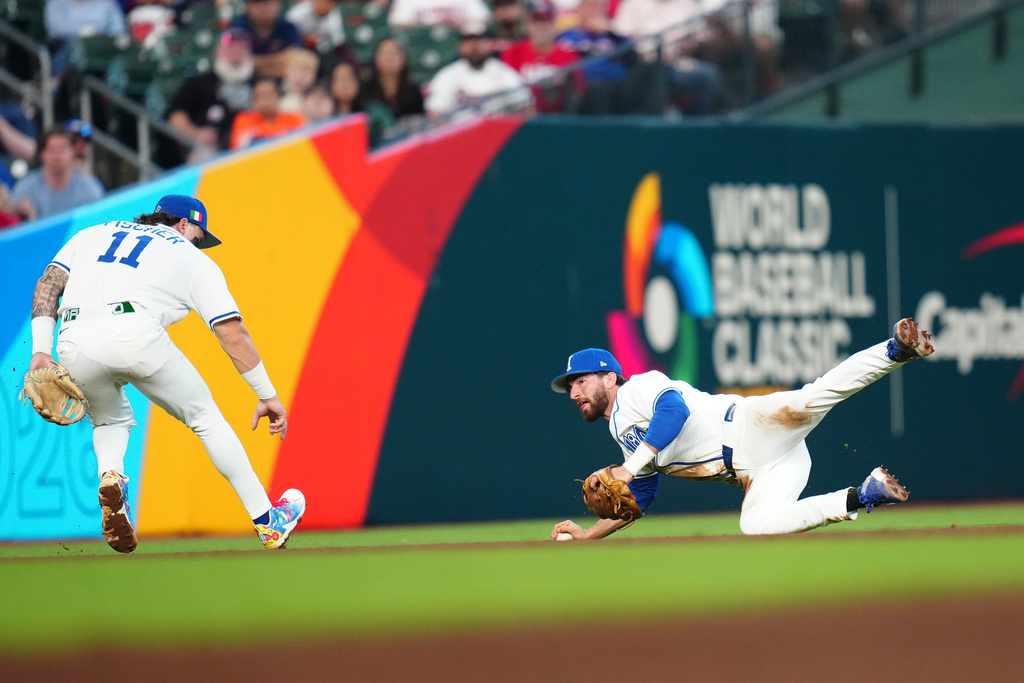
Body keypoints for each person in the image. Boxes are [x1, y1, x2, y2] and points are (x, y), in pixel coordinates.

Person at [26, 194, 306, 553]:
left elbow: (48, 283)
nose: (199, 243)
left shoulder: (94, 233)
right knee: (204, 417)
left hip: (72, 337)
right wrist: (266, 395)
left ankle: (111, 476)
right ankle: (267, 522)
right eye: (200, 235)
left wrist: (39, 350)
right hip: (135, 331)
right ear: (184, 224)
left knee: (109, 422)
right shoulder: (190, 256)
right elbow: (232, 333)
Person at [549, 318, 935, 541]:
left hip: (751, 428)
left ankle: (894, 350)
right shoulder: (622, 433)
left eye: (580, 381)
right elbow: (641, 497)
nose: (574, 393)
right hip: (760, 471)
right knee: (755, 526)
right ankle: (861, 496)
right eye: (570, 387)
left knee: (812, 397)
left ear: (609, 378)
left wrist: (629, 468)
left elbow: (674, 411)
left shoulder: (638, 388)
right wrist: (589, 534)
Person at [165, 28, 256, 163]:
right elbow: (176, 116)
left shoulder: (259, 82)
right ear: (217, 52)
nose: (236, 53)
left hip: (253, 141)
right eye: (230, 48)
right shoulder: (199, 82)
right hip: (212, 148)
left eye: (242, 49)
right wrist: (195, 133)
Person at [424, 25, 532, 117]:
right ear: (460, 47)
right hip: (460, 135)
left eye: (478, 41)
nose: (474, 46)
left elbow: (526, 107)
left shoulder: (504, 73)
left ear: (489, 44)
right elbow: (434, 112)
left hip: (498, 135)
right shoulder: (447, 75)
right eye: (469, 41)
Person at [500, 0, 580, 113]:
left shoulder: (568, 54)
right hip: (521, 117)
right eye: (536, 22)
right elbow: (505, 89)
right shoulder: (513, 52)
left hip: (559, 115)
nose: (541, 28)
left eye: (546, 23)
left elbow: (578, 90)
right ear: (528, 25)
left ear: (554, 26)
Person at [9, 128, 104, 222]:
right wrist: (22, 216)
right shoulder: (25, 188)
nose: (57, 155)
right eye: (52, 149)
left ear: (72, 152)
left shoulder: (89, 188)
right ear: (42, 154)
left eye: (63, 149)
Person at [44, 0, 128, 75]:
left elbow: (119, 30)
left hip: (102, 48)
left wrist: (98, 37)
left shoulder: (107, 3)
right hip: (67, 47)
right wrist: (82, 32)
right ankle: (60, 85)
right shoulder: (56, 3)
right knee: (73, 49)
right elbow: (55, 29)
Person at [229, 0, 303, 78]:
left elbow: (294, 57)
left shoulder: (288, 27)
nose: (264, 8)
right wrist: (277, 61)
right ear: (248, 7)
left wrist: (257, 62)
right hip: (244, 79)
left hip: (283, 78)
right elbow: (234, 61)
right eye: (258, 4)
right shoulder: (238, 27)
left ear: (279, 6)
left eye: (269, 3)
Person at [229, 75, 306, 149]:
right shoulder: (244, 119)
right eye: (262, 95)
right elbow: (238, 148)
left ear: (278, 96)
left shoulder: (293, 118)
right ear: (254, 99)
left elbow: (301, 143)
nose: (266, 99)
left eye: (270, 94)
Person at [361, 36, 426, 120]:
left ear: (403, 59)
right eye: (385, 53)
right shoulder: (365, 89)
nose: (390, 58)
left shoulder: (413, 90)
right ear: (376, 58)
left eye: (394, 53)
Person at [388, 0, 493, 32]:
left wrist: (456, 23)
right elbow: (396, 24)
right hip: (423, 46)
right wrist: (434, 25)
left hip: (459, 46)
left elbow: (486, 18)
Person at [279, 48, 321, 112]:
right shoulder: (280, 102)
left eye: (305, 70)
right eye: (294, 70)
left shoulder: (321, 101)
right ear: (286, 74)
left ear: (314, 75)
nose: (300, 76)